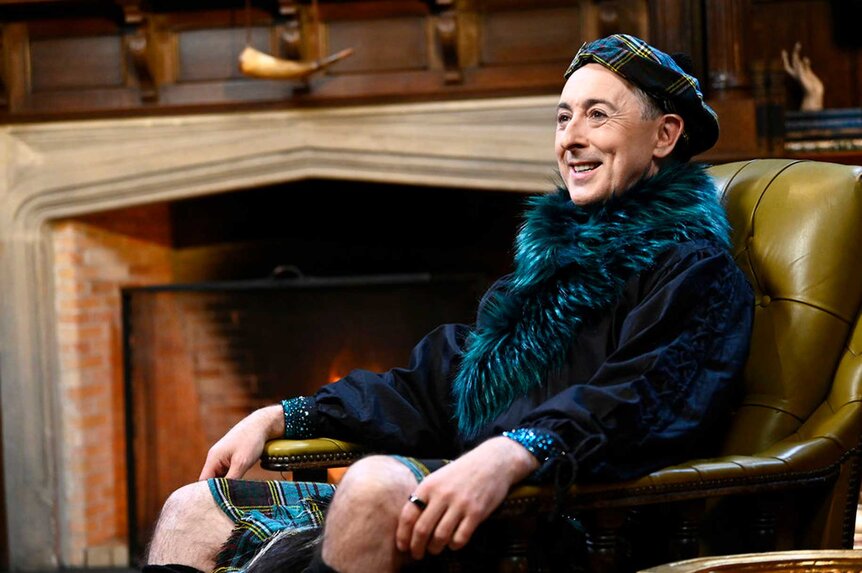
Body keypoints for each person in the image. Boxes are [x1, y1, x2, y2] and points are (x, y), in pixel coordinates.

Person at [143, 33, 753, 573]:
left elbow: (639, 398)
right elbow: (432, 385)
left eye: (598, 115)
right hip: (482, 509)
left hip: (579, 522)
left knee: (375, 485)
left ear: (665, 134)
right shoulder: (540, 281)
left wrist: (513, 453)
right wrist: (283, 415)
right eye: (564, 117)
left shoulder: (694, 271)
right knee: (193, 509)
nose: (572, 138)